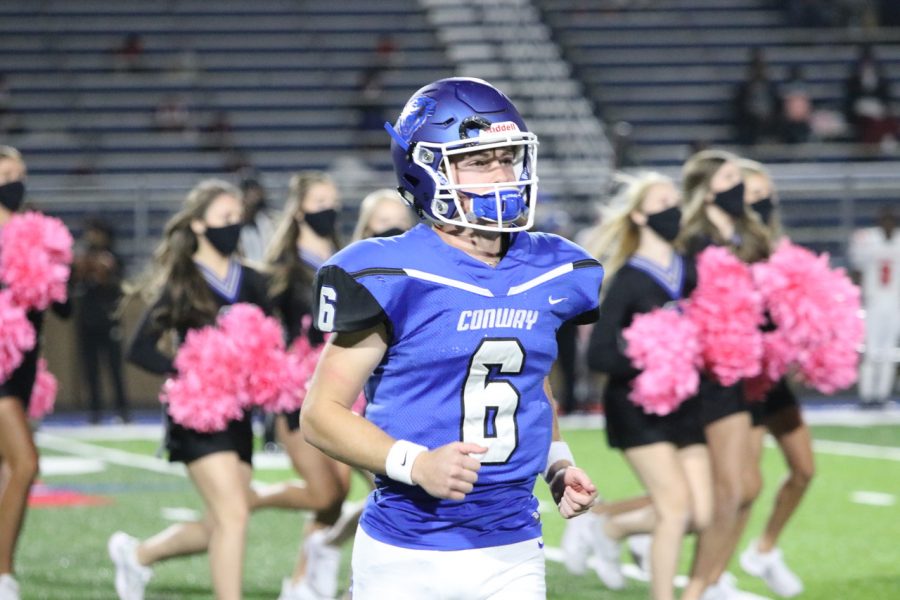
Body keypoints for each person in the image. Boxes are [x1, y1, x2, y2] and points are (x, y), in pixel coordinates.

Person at [300, 77, 602, 599]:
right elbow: (319, 415)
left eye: (508, 158)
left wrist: (557, 462)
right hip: (407, 548)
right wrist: (415, 463)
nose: (503, 175)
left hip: (513, 542)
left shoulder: (552, 265)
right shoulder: (392, 272)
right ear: (426, 170)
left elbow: (529, 381)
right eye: (480, 162)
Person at [108, 179, 270, 600]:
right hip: (197, 413)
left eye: (238, 219)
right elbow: (138, 347)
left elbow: (269, 342)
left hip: (240, 414)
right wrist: (188, 369)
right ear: (198, 225)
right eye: (224, 219)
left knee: (223, 521)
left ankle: (138, 555)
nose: (233, 226)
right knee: (233, 515)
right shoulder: (183, 280)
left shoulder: (251, 281)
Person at [564, 173, 712, 600]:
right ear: (641, 215)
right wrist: (654, 357)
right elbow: (599, 357)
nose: (674, 209)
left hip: (685, 404)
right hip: (636, 408)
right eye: (662, 202)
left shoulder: (691, 268)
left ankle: (610, 527)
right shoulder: (629, 278)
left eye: (676, 201)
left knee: (701, 513)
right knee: (673, 509)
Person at [676, 149, 772, 600]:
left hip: (740, 373)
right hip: (706, 377)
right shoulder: (692, 240)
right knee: (723, 491)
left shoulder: (745, 236)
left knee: (732, 490)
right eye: (731, 177)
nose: (739, 186)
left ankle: (706, 583)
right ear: (710, 186)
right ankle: (699, 586)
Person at [252, 172, 351, 600]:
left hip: (347, 388)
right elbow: (260, 332)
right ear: (299, 210)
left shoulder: (350, 258)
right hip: (296, 394)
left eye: (334, 200)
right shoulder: (282, 268)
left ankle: (300, 581)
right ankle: (248, 499)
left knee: (337, 495)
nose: (329, 208)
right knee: (324, 491)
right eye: (319, 201)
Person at [737, 159, 811, 597]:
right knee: (742, 488)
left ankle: (763, 550)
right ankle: (621, 526)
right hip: (742, 380)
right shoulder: (725, 250)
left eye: (768, 197)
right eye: (753, 197)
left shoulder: (783, 250)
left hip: (774, 379)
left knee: (803, 470)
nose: (763, 205)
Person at [0, 146, 71, 600]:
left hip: (23, 368)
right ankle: (2, 572)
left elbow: (63, 308)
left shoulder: (36, 234)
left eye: (21, 173)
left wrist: (62, 271)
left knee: (9, 469)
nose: (16, 181)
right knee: (26, 463)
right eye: (6, 173)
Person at [72, 217, 130, 424]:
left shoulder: (114, 258)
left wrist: (105, 272)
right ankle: (94, 411)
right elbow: (73, 284)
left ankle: (122, 411)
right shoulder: (82, 256)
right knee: (91, 369)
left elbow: (120, 286)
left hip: (109, 321)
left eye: (96, 232)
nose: (92, 236)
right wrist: (82, 268)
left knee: (114, 368)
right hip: (87, 321)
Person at [849, 204, 900, 407]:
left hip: (895, 302)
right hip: (873, 301)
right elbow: (857, 270)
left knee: (889, 351)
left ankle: (882, 395)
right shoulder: (866, 239)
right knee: (870, 350)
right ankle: (867, 395)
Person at [237, 177, 278, 263]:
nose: (253, 199)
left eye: (255, 194)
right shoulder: (234, 222)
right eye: (249, 195)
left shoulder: (267, 220)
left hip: (266, 267)